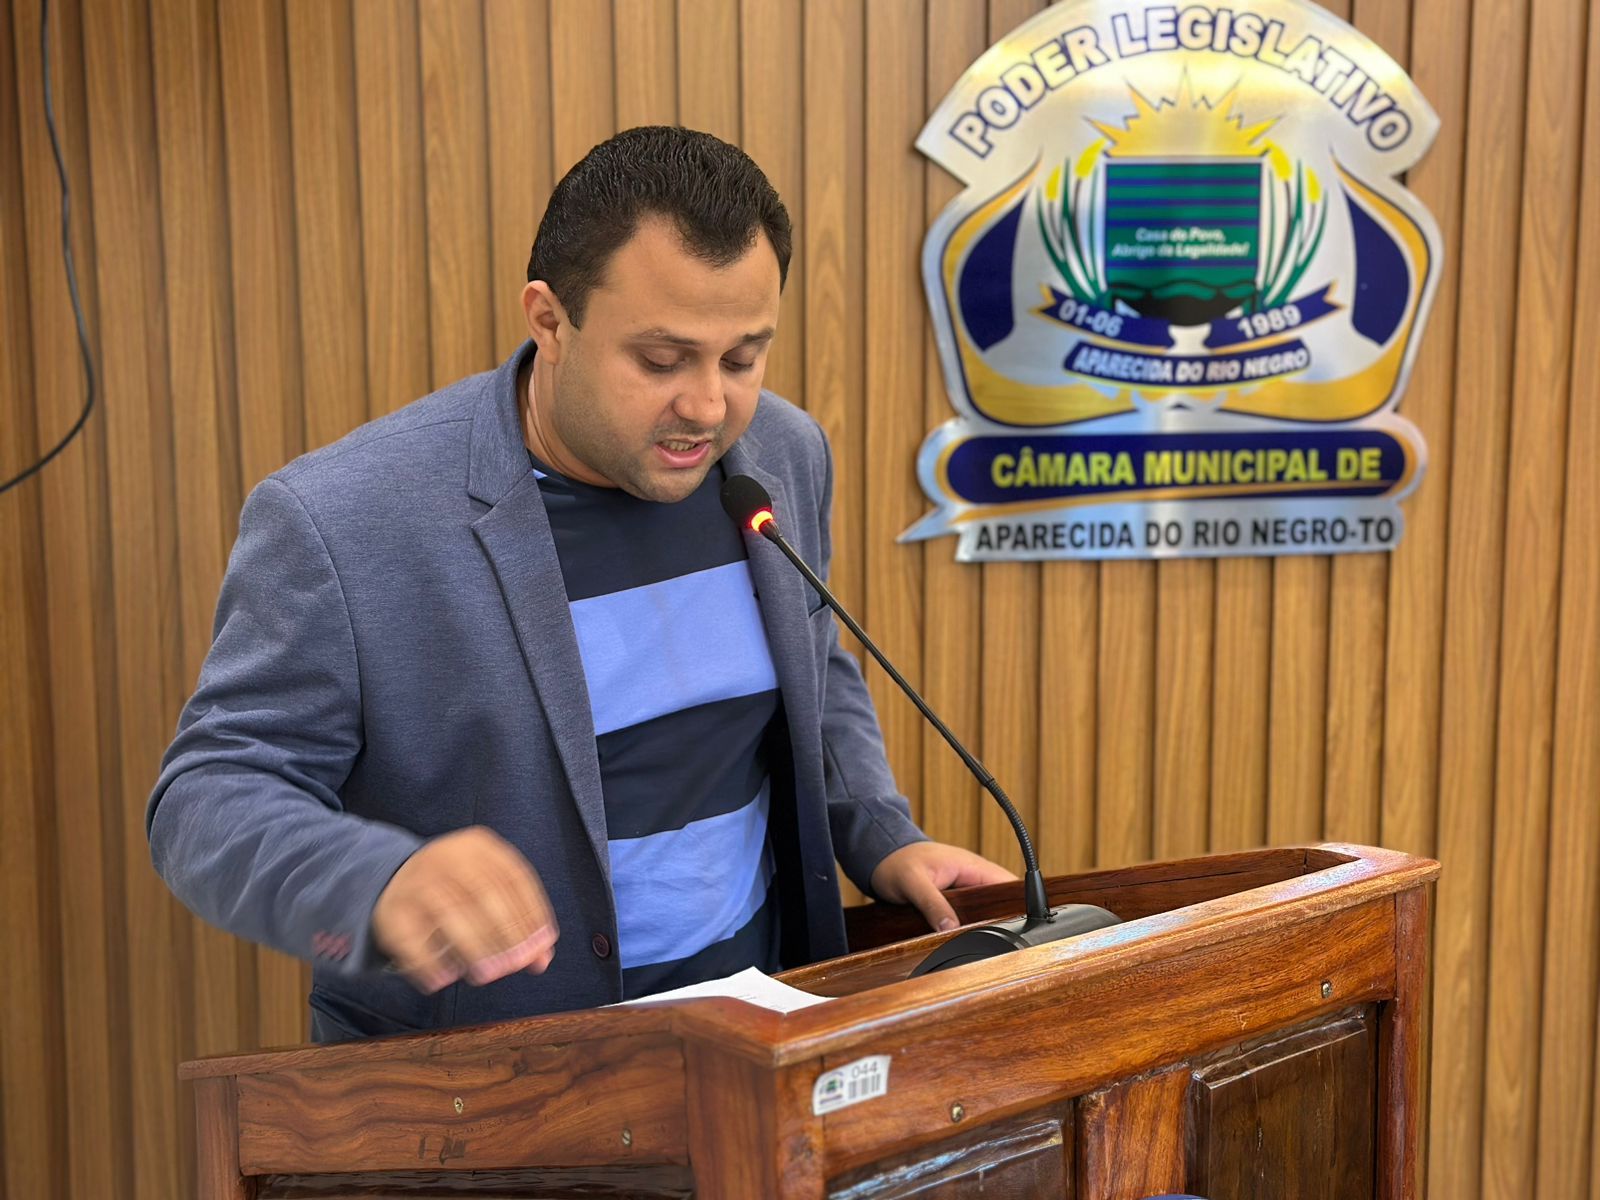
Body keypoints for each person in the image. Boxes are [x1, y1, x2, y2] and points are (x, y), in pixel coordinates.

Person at [148, 126, 1012, 1043]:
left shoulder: (784, 454)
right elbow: (208, 799)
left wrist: (881, 834)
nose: (707, 407)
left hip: (757, 1039)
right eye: (661, 360)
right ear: (550, 321)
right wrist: (374, 881)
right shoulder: (341, 519)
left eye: (743, 358)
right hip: (492, 1084)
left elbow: (814, 665)